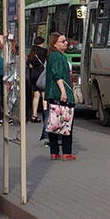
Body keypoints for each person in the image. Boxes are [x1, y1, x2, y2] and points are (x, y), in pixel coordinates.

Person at [44, 32, 76, 160]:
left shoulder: (53, 55)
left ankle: (54, 152)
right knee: (66, 121)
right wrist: (63, 91)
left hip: (53, 93)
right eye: (63, 41)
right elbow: (58, 75)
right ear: (54, 44)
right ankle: (66, 152)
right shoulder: (57, 56)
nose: (66, 43)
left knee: (55, 123)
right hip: (59, 93)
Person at [27, 36, 48, 123]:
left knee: (36, 96)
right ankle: (45, 112)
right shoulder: (44, 51)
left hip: (33, 74)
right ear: (41, 43)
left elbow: (29, 63)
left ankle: (34, 115)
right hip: (41, 74)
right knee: (44, 95)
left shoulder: (32, 51)